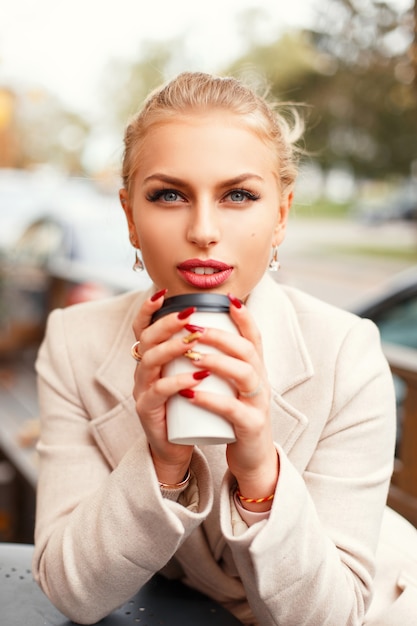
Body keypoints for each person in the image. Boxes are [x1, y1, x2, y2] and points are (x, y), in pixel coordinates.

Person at [32, 71, 417, 625]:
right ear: (130, 218)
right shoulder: (76, 342)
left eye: (238, 195)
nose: (204, 230)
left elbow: (330, 615)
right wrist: (163, 464)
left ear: (281, 215)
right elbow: (73, 593)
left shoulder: (346, 354)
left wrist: (260, 469)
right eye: (169, 195)